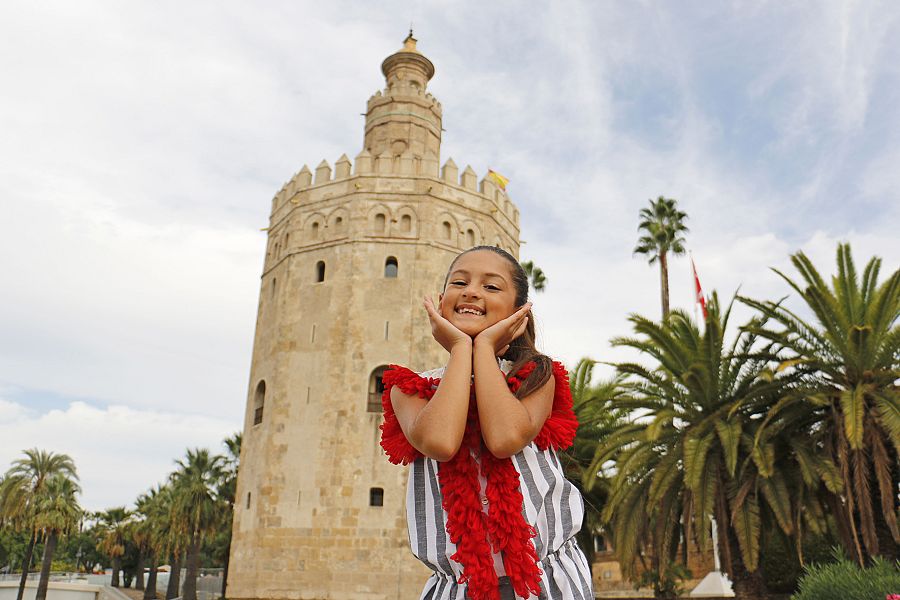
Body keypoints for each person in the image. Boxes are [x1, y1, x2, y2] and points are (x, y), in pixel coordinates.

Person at [380, 246, 595, 600]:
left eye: (491, 286)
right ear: (441, 302)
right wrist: (461, 349)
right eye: (459, 282)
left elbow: (505, 438)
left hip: (549, 583)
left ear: (518, 313)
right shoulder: (410, 389)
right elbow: (440, 441)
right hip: (457, 589)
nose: (471, 292)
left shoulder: (535, 376)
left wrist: (483, 348)